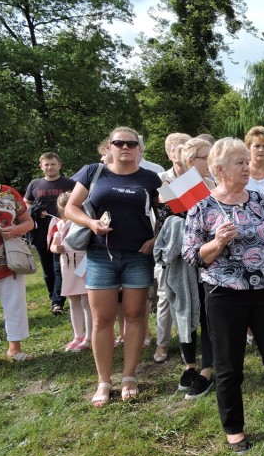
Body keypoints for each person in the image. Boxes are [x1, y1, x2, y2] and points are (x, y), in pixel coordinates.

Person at [182, 138, 264, 451]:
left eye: (246, 161)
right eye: (240, 162)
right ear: (220, 170)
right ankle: (234, 428)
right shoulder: (202, 207)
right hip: (225, 294)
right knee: (229, 365)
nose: (247, 167)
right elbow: (192, 256)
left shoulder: (257, 200)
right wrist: (218, 243)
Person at [66, 127, 162, 406]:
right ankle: (104, 381)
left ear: (139, 149)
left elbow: (167, 213)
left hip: (138, 255)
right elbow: (71, 207)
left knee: (134, 316)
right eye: (118, 143)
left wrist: (156, 239)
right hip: (99, 255)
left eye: (131, 144)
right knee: (102, 319)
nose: (125, 147)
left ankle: (129, 376)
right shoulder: (93, 172)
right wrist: (91, 223)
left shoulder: (150, 178)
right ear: (109, 146)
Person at [155, 138, 217, 398]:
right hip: (182, 264)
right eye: (206, 157)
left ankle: (207, 370)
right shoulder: (168, 188)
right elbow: (165, 218)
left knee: (208, 315)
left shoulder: (215, 185)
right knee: (185, 310)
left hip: (211, 260)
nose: (211, 162)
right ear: (192, 162)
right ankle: (190, 364)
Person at [0, 149, 34, 375]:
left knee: (15, 305)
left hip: (11, 261)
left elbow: (28, 222)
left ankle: (15, 349)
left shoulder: (9, 193)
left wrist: (15, 229)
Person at [152, 132, 192, 363]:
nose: (182, 152)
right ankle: (162, 343)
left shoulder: (201, 177)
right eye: (178, 148)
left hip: (196, 244)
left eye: (187, 148)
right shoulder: (159, 178)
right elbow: (164, 208)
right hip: (168, 244)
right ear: (169, 153)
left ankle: (194, 340)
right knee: (165, 295)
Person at [24, 152, 75, 315]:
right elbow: (26, 204)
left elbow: (78, 204)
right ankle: (53, 296)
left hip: (62, 230)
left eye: (53, 164)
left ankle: (58, 302)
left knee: (59, 267)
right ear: (41, 166)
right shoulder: (35, 184)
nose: (50, 167)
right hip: (40, 232)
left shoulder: (70, 183)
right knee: (47, 270)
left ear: (59, 165)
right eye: (46, 164)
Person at [49, 192, 92, 352]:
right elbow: (53, 245)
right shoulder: (59, 224)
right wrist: (56, 248)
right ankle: (77, 335)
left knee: (86, 302)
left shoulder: (84, 223)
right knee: (73, 301)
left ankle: (89, 336)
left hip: (84, 263)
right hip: (67, 264)